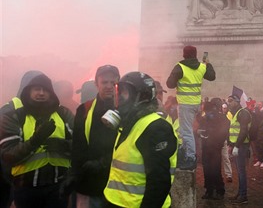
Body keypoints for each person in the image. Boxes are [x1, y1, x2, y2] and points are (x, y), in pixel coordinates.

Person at [103, 72, 177, 208]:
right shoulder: (129, 123)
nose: (118, 97)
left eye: (124, 93)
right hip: (117, 202)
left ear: (141, 96)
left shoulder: (156, 128)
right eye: (118, 92)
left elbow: (159, 181)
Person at [0, 72, 74, 208]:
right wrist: (35, 141)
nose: (41, 93)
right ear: (27, 92)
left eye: (45, 90)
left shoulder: (64, 114)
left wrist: (63, 145)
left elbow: (81, 147)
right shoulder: (14, 117)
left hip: (58, 188)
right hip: (26, 190)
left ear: (52, 93)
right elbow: (8, 156)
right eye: (37, 89)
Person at [71, 64, 120, 208]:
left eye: (113, 82)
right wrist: (74, 175)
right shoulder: (85, 109)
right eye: (104, 82)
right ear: (96, 84)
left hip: (118, 185)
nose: (109, 86)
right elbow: (77, 146)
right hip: (89, 184)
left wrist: (103, 162)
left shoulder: (127, 110)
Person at [166, 45, 216, 170]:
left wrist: (177, 77)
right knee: (186, 130)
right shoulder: (201, 67)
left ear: (184, 54)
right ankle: (184, 151)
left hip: (185, 104)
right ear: (195, 54)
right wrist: (207, 63)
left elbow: (169, 84)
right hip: (196, 104)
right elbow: (212, 76)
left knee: (186, 131)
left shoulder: (180, 67)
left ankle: (191, 157)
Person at [0, 70, 45, 208]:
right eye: (36, 88)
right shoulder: (8, 111)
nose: (41, 93)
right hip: (12, 180)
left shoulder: (42, 109)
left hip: (36, 183)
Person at [199, 98, 230, 200]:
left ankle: (219, 190)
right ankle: (210, 190)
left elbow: (224, 130)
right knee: (208, 170)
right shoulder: (206, 118)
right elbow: (201, 128)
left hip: (214, 147)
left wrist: (218, 140)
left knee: (215, 169)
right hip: (207, 146)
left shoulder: (220, 117)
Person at [227, 94, 252, 204]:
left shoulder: (243, 113)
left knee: (241, 171)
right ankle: (240, 193)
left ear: (237, 102)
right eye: (229, 101)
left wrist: (236, 146)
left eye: (231, 101)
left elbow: (243, 131)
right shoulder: (236, 113)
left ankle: (243, 195)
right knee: (239, 170)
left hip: (242, 145)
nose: (229, 103)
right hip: (238, 145)